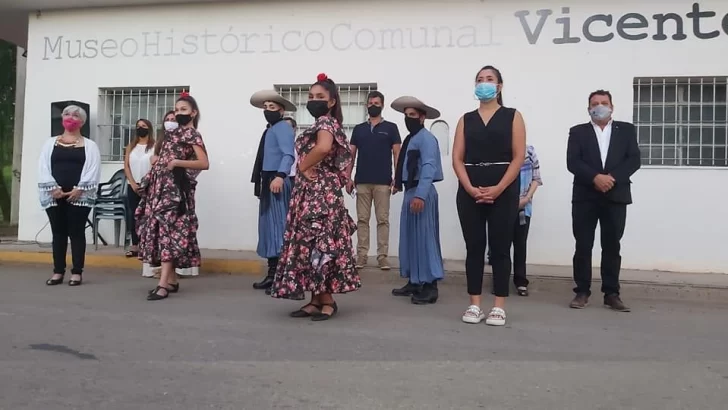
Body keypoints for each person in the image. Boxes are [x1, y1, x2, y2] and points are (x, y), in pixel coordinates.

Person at [269, 73, 360, 321]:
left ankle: (328, 300)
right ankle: (315, 299)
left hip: (321, 192)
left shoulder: (326, 124)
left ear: (331, 102)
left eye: (320, 96)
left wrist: (302, 166)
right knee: (310, 244)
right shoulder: (320, 124)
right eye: (310, 96)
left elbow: (323, 148)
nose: (313, 100)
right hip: (311, 191)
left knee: (322, 242)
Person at [453, 65, 526, 326]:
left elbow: (518, 157)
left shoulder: (513, 116)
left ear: (499, 86)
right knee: (474, 247)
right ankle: (474, 304)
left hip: (503, 189)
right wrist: (471, 188)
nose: (484, 83)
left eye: (490, 79)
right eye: (480, 79)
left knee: (500, 247)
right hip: (470, 188)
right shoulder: (466, 119)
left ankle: (499, 304)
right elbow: (457, 158)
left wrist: (498, 188)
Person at [566, 89, 641, 312]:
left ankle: (611, 293)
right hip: (585, 196)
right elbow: (573, 162)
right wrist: (595, 178)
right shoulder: (578, 132)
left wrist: (612, 178)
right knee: (583, 245)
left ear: (612, 106)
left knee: (611, 245)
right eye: (595, 103)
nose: (600, 106)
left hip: (616, 195)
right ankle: (582, 291)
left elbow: (633, 160)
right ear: (589, 108)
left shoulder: (626, 130)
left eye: (604, 102)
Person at [136, 91, 209, 301]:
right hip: (159, 187)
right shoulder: (172, 134)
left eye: (183, 110)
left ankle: (162, 285)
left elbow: (204, 163)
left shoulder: (193, 135)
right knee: (160, 232)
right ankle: (172, 279)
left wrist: (178, 163)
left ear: (193, 113)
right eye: (176, 110)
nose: (179, 113)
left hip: (176, 191)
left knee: (169, 233)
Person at [38, 105, 101, 287]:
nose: (70, 117)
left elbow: (93, 170)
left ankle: (77, 272)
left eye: (75, 115)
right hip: (54, 194)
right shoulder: (50, 143)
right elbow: (42, 167)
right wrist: (52, 188)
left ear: (82, 122)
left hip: (78, 195)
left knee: (76, 233)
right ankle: (58, 271)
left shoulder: (90, 146)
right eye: (66, 114)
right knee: (58, 233)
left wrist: (80, 189)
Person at [390, 96, 445, 304]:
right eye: (406, 115)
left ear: (422, 117)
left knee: (425, 238)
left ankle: (431, 286)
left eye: (412, 115)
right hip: (410, 191)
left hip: (421, 192)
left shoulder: (427, 138)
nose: (408, 119)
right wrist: (397, 184)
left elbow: (429, 167)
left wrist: (421, 194)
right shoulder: (410, 139)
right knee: (410, 239)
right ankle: (415, 280)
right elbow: (405, 164)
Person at [346, 91, 401, 270]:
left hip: (383, 182)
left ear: (382, 105)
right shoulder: (359, 129)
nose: (373, 105)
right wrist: (347, 178)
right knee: (362, 220)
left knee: (382, 220)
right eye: (370, 103)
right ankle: (361, 256)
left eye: (376, 102)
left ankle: (382, 257)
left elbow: (397, 154)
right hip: (361, 181)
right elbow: (351, 155)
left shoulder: (391, 128)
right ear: (366, 105)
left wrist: (397, 178)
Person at [249, 90, 297, 294]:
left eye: (272, 107)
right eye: (265, 107)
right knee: (269, 227)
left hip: (277, 180)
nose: (268, 110)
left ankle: (282, 275)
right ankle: (272, 273)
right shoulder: (270, 129)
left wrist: (280, 175)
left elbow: (288, 154)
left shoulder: (282, 128)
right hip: (268, 179)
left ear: (281, 110)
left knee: (279, 227)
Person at [510, 144, 543, 296]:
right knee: (500, 245)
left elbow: (536, 178)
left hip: (524, 206)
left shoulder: (529, 151)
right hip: (502, 206)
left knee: (520, 244)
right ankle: (500, 280)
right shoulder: (499, 149)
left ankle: (520, 281)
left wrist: (527, 198)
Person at [123, 118, 155, 258]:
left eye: (143, 126)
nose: (140, 128)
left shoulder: (155, 146)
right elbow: (126, 166)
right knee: (133, 215)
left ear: (149, 128)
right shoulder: (131, 146)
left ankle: (147, 245)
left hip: (149, 186)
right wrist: (133, 183)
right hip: (133, 186)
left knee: (148, 216)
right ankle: (135, 245)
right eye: (138, 126)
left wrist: (146, 183)